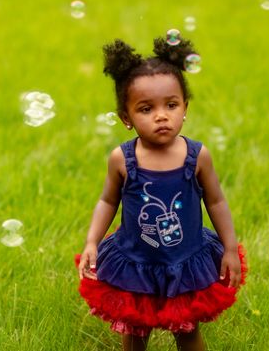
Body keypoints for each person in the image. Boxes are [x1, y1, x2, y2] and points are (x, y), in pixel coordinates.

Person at [75, 36, 247, 351]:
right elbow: (107, 201)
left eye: (171, 104)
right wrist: (91, 241)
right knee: (135, 330)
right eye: (146, 108)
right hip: (136, 262)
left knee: (187, 330)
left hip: (183, 261)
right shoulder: (122, 159)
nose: (161, 115)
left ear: (185, 107)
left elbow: (216, 201)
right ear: (126, 118)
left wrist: (230, 247)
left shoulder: (197, 156)